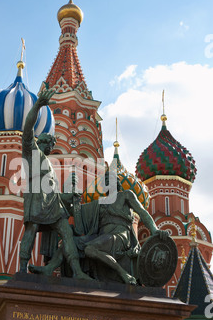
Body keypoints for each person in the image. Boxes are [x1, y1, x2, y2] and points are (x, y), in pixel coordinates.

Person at [29, 178, 168, 284]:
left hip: (120, 236)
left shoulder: (126, 195)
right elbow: (77, 214)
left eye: (110, 179)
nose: (108, 182)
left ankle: (124, 274)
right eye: (105, 181)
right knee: (70, 241)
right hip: (103, 236)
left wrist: (155, 230)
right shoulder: (101, 202)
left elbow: (143, 213)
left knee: (89, 249)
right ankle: (49, 268)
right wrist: (72, 197)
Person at [19, 88, 90, 280]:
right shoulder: (32, 152)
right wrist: (38, 106)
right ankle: (22, 268)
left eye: (52, 144)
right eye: (49, 142)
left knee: (66, 232)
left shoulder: (49, 163)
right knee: (31, 230)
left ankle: (77, 272)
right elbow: (27, 129)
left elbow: (54, 191)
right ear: (41, 142)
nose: (51, 146)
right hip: (36, 198)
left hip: (52, 202)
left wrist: (70, 195)